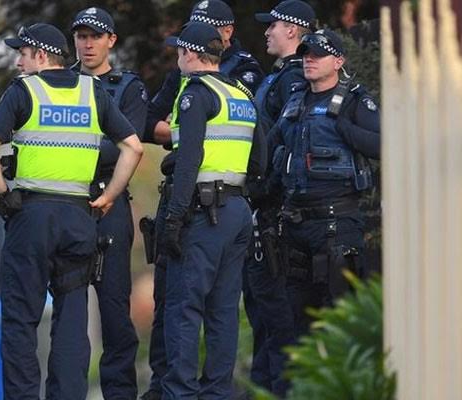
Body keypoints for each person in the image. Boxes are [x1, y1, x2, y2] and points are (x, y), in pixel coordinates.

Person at [0, 23, 143, 400]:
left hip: (31, 216)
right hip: (79, 218)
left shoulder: (24, 91)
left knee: (20, 318)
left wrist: (3, 196)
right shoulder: (92, 91)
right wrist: (111, 195)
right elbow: (133, 146)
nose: (18, 61)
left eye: (22, 53)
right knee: (71, 320)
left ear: (41, 55)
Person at [140, 3, 263, 399]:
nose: (177, 57)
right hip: (237, 211)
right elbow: (260, 158)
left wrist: (173, 219)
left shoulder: (196, 94)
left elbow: (188, 158)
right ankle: (217, 394)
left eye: (179, 51)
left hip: (202, 213)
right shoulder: (240, 93)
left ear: (190, 53)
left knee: (183, 308)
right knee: (223, 312)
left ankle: (179, 393)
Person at [268, 29, 380, 338]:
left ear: (338, 60)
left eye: (318, 54)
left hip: (336, 223)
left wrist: (346, 130)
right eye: (306, 54)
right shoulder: (295, 101)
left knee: (340, 315)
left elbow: (385, 145)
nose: (309, 60)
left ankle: (340, 384)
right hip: (295, 223)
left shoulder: (354, 101)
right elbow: (269, 148)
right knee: (297, 318)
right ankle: (303, 385)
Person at [70, 7, 148, 399]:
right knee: (68, 314)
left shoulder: (128, 87)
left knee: (115, 311)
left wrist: (72, 147)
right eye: (80, 36)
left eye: (94, 36)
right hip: (66, 204)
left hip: (109, 203)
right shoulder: (61, 82)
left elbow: (125, 148)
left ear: (111, 41)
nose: (86, 44)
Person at [241, 0, 318, 395]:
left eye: (273, 26)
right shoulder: (280, 76)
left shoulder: (292, 80)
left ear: (292, 29)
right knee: (265, 318)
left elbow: (287, 144)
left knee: (278, 320)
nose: (267, 32)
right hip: (263, 206)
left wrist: (264, 190)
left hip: (275, 212)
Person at [145, 0, 263, 145]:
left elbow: (227, 125)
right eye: (193, 29)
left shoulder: (244, 68)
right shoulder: (183, 68)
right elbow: (148, 121)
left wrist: (178, 124)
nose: (197, 35)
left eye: (206, 30)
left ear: (227, 32)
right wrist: (184, 129)